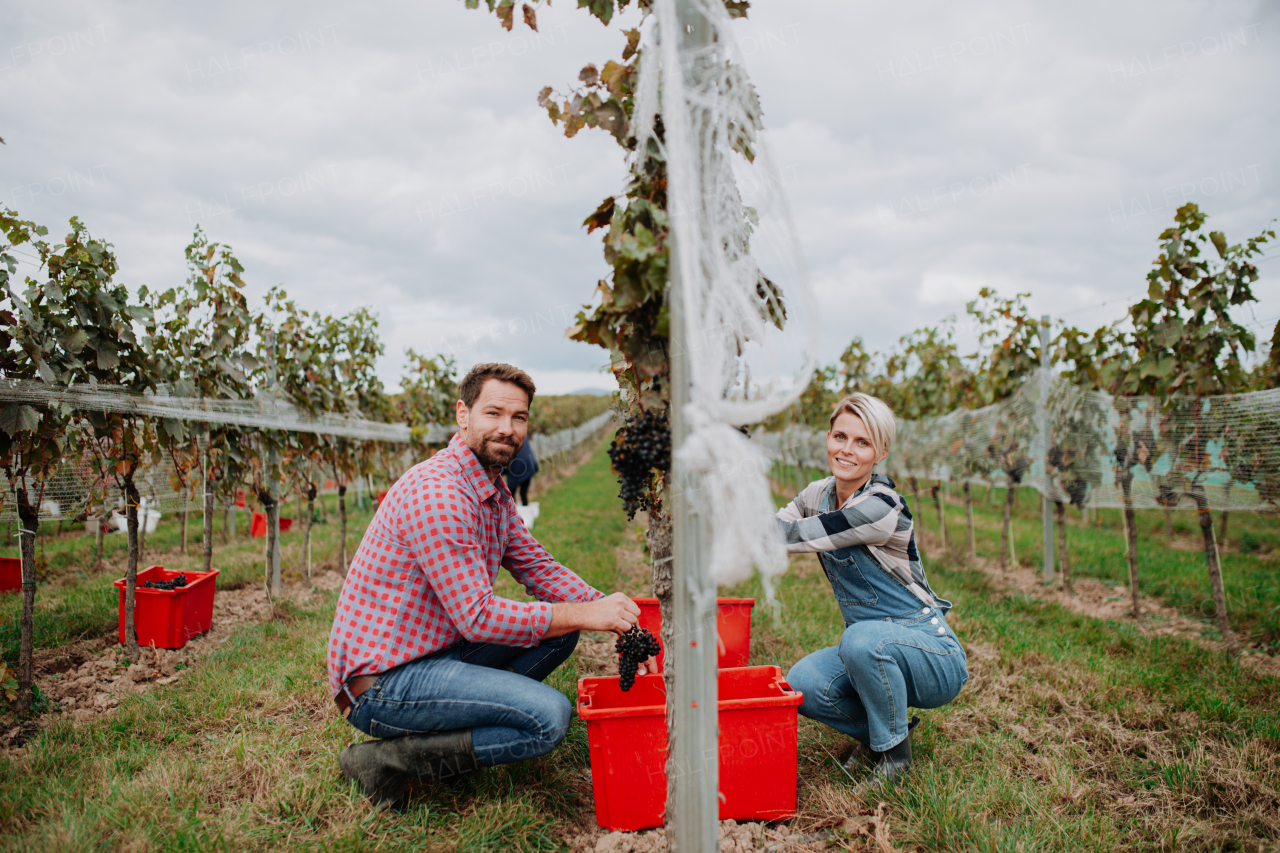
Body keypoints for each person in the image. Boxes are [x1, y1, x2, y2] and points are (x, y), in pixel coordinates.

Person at [328, 362, 654, 809]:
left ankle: (456, 729)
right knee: (549, 718)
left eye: (518, 417)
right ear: (463, 415)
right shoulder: (439, 494)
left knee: (559, 635)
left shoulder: (490, 488)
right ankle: (390, 762)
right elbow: (477, 616)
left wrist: (611, 615)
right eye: (494, 414)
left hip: (434, 653)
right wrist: (584, 612)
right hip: (384, 684)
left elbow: (536, 565)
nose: (508, 428)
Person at [775, 393, 968, 792]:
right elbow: (773, 527)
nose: (847, 450)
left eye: (862, 442)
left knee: (861, 639)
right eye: (840, 436)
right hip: (869, 648)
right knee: (805, 681)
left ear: (880, 452)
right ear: (827, 437)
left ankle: (895, 760)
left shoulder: (881, 506)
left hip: (932, 655)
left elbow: (796, 534)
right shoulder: (817, 494)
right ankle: (887, 733)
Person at [504, 439, 539, 506]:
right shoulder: (522, 434)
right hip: (529, 464)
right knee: (522, 492)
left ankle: (513, 512)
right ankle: (522, 509)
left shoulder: (506, 437)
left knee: (511, 494)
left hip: (518, 466)